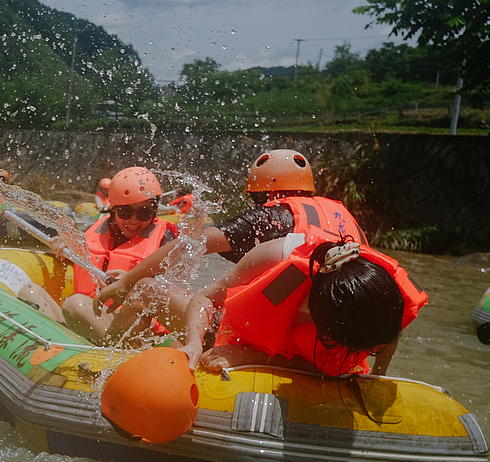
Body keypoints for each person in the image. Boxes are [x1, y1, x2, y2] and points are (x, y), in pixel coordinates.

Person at [95, 149, 366, 310]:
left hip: (280, 336)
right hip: (334, 337)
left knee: (148, 289)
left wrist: (125, 283)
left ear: (261, 193)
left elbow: (188, 245)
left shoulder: (269, 217)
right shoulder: (343, 218)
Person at [170, 237, 427, 376]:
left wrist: (377, 379)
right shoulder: (277, 261)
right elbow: (204, 299)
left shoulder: (387, 293)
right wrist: (193, 342)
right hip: (240, 331)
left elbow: (390, 335)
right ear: (324, 328)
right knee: (147, 291)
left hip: (263, 351)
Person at [50, 166, 180, 341]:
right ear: (114, 209)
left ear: (154, 211)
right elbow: (82, 256)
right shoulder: (98, 228)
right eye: (125, 212)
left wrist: (130, 281)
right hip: (95, 315)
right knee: (30, 291)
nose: (133, 221)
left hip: (136, 327)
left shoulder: (166, 239)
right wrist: (64, 245)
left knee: (75, 304)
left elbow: (171, 292)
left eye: (144, 213)